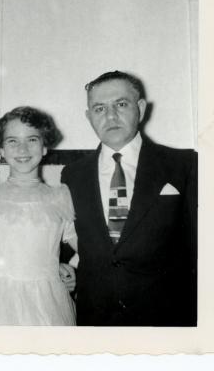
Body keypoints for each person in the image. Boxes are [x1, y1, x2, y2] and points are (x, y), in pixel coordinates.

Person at [61, 71, 197, 326]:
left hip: (167, 318)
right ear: (89, 116)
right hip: (95, 318)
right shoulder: (72, 175)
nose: (110, 116)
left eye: (121, 104)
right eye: (99, 108)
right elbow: (67, 237)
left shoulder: (184, 165)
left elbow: (202, 249)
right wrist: (59, 264)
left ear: (141, 108)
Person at [0, 106, 77, 325]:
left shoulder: (60, 196)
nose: (22, 148)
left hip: (47, 302)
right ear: (1, 150)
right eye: (12, 141)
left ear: (45, 147)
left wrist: (73, 268)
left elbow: (91, 250)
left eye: (32, 139)